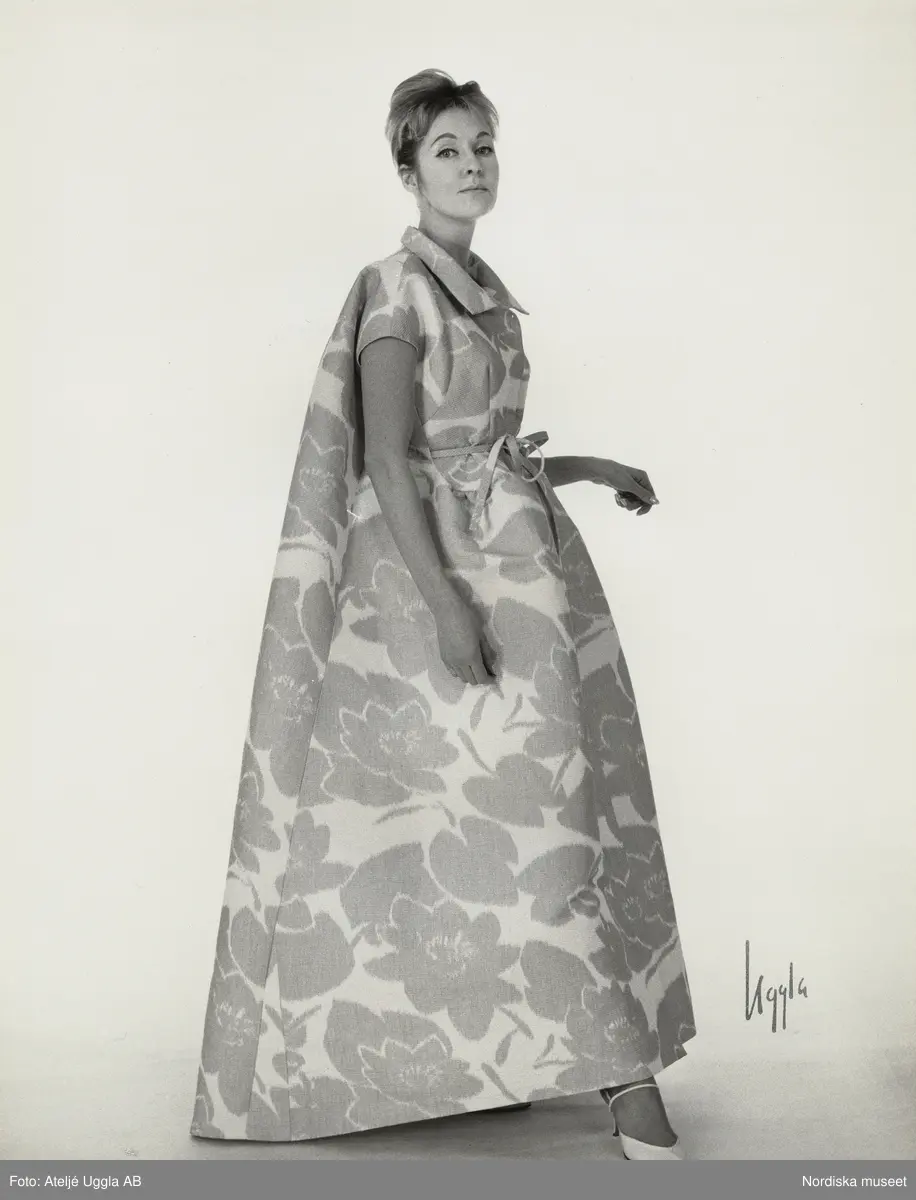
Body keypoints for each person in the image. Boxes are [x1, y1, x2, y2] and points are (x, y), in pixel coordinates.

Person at [189, 68, 696, 1161]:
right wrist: (448, 608)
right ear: (409, 169)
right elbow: (388, 459)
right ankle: (622, 1073)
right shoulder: (394, 292)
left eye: (484, 147)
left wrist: (594, 466)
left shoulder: (489, 293)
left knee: (535, 816)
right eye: (449, 151)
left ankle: (516, 1055)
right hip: (438, 583)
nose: (473, 166)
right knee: (509, 823)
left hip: (525, 572)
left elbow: (482, 451)